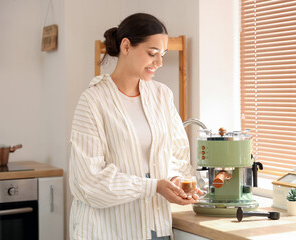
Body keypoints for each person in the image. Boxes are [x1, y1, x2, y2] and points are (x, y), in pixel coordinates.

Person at [69, 13, 201, 240]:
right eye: (152, 53)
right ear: (126, 46)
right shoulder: (93, 101)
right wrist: (153, 186)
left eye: (163, 55)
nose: (159, 62)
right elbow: (88, 183)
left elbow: (175, 156)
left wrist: (173, 180)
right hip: (106, 231)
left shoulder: (162, 95)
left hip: (155, 229)